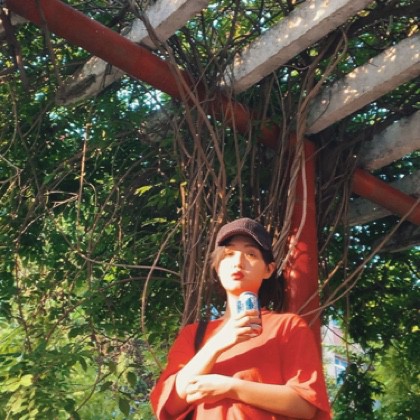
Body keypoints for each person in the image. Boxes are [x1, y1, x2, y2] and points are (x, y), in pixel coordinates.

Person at [150, 218, 331, 419]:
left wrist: (230, 387)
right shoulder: (192, 334)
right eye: (229, 254)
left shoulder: (287, 326)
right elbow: (170, 405)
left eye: (251, 254)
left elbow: (306, 405)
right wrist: (218, 343)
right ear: (217, 268)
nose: (238, 262)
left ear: (268, 270)